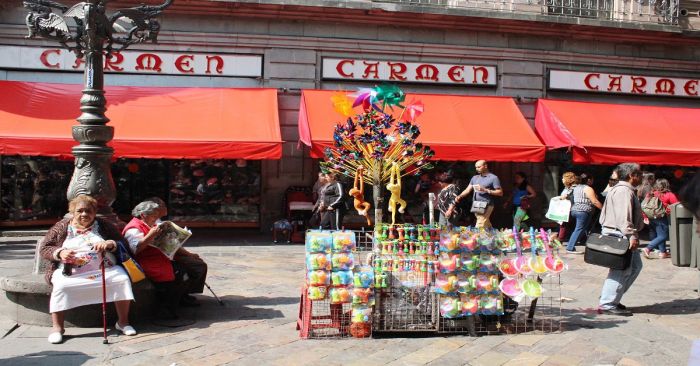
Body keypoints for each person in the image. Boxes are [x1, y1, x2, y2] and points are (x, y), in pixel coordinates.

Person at [39, 195, 136, 344]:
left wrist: (110, 243)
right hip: (70, 271)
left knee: (121, 279)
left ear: (95, 211)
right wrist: (60, 253)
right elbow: (45, 248)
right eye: (80, 211)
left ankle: (123, 322)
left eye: (89, 211)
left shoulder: (104, 225)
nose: (84, 214)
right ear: (73, 212)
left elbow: (123, 243)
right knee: (61, 285)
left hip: (104, 268)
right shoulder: (62, 226)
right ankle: (57, 328)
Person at [123, 201, 187, 319]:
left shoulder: (149, 223)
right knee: (175, 273)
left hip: (157, 257)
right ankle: (165, 310)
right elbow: (135, 250)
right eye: (154, 216)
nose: (156, 218)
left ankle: (174, 304)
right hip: (145, 261)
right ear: (143, 215)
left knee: (181, 270)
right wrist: (150, 236)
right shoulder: (133, 229)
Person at [597, 163, 644, 316]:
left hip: (620, 233)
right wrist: (631, 235)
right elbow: (623, 217)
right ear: (632, 175)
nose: (641, 177)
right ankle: (607, 303)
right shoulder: (624, 191)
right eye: (639, 174)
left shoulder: (623, 189)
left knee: (635, 266)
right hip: (620, 234)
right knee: (621, 269)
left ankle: (611, 297)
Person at [454, 160, 503, 229]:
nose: (477, 169)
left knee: (480, 223)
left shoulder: (493, 178)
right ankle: (493, 235)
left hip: (487, 203)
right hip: (476, 203)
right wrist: (460, 196)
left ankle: (475, 238)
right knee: (485, 223)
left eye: (479, 167)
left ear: (485, 166)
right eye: (476, 167)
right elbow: (468, 190)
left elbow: (500, 192)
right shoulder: (475, 177)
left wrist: (485, 190)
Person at [563, 176, 603, 254]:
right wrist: (604, 209)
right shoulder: (588, 188)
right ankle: (570, 247)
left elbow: (568, 197)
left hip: (575, 210)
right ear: (589, 180)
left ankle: (571, 246)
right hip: (583, 211)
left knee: (580, 228)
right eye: (592, 179)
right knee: (579, 229)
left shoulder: (576, 188)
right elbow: (594, 201)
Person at [642, 178, 679, 259]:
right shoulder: (669, 194)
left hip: (651, 217)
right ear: (666, 185)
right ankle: (648, 248)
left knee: (659, 234)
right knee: (663, 236)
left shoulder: (651, 193)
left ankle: (663, 252)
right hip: (661, 218)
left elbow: (643, 204)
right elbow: (677, 205)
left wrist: (645, 216)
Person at [557, 172, 577, 242]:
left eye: (563, 178)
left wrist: (567, 197)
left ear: (567, 179)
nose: (562, 179)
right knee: (564, 224)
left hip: (571, 208)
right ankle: (563, 238)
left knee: (564, 224)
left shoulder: (574, 188)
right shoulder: (567, 188)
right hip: (565, 208)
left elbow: (574, 198)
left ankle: (561, 239)